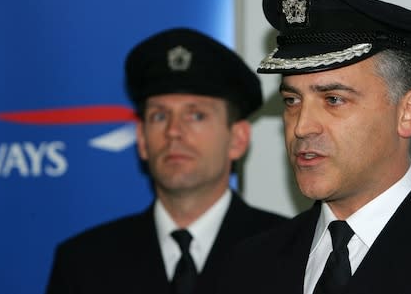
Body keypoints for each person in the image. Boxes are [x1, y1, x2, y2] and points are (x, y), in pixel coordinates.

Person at [216, 0, 411, 294]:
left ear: (409, 112)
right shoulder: (248, 264)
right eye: (292, 100)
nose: (301, 126)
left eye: (333, 99)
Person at [45, 27, 287, 294]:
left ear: (238, 139)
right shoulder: (84, 263)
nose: (173, 131)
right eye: (159, 116)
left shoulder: (291, 252)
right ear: (141, 138)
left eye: (196, 116)